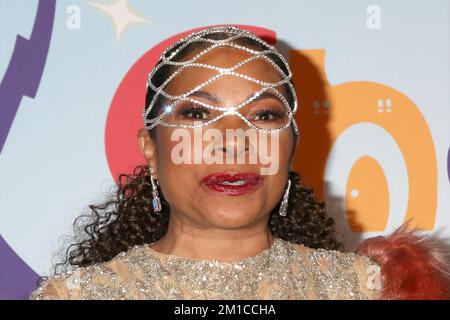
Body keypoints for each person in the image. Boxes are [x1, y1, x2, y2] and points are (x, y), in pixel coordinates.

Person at [29, 25, 449, 300]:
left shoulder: (372, 289)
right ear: (151, 149)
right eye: (197, 114)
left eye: (264, 116)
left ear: (290, 147)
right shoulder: (75, 297)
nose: (234, 141)